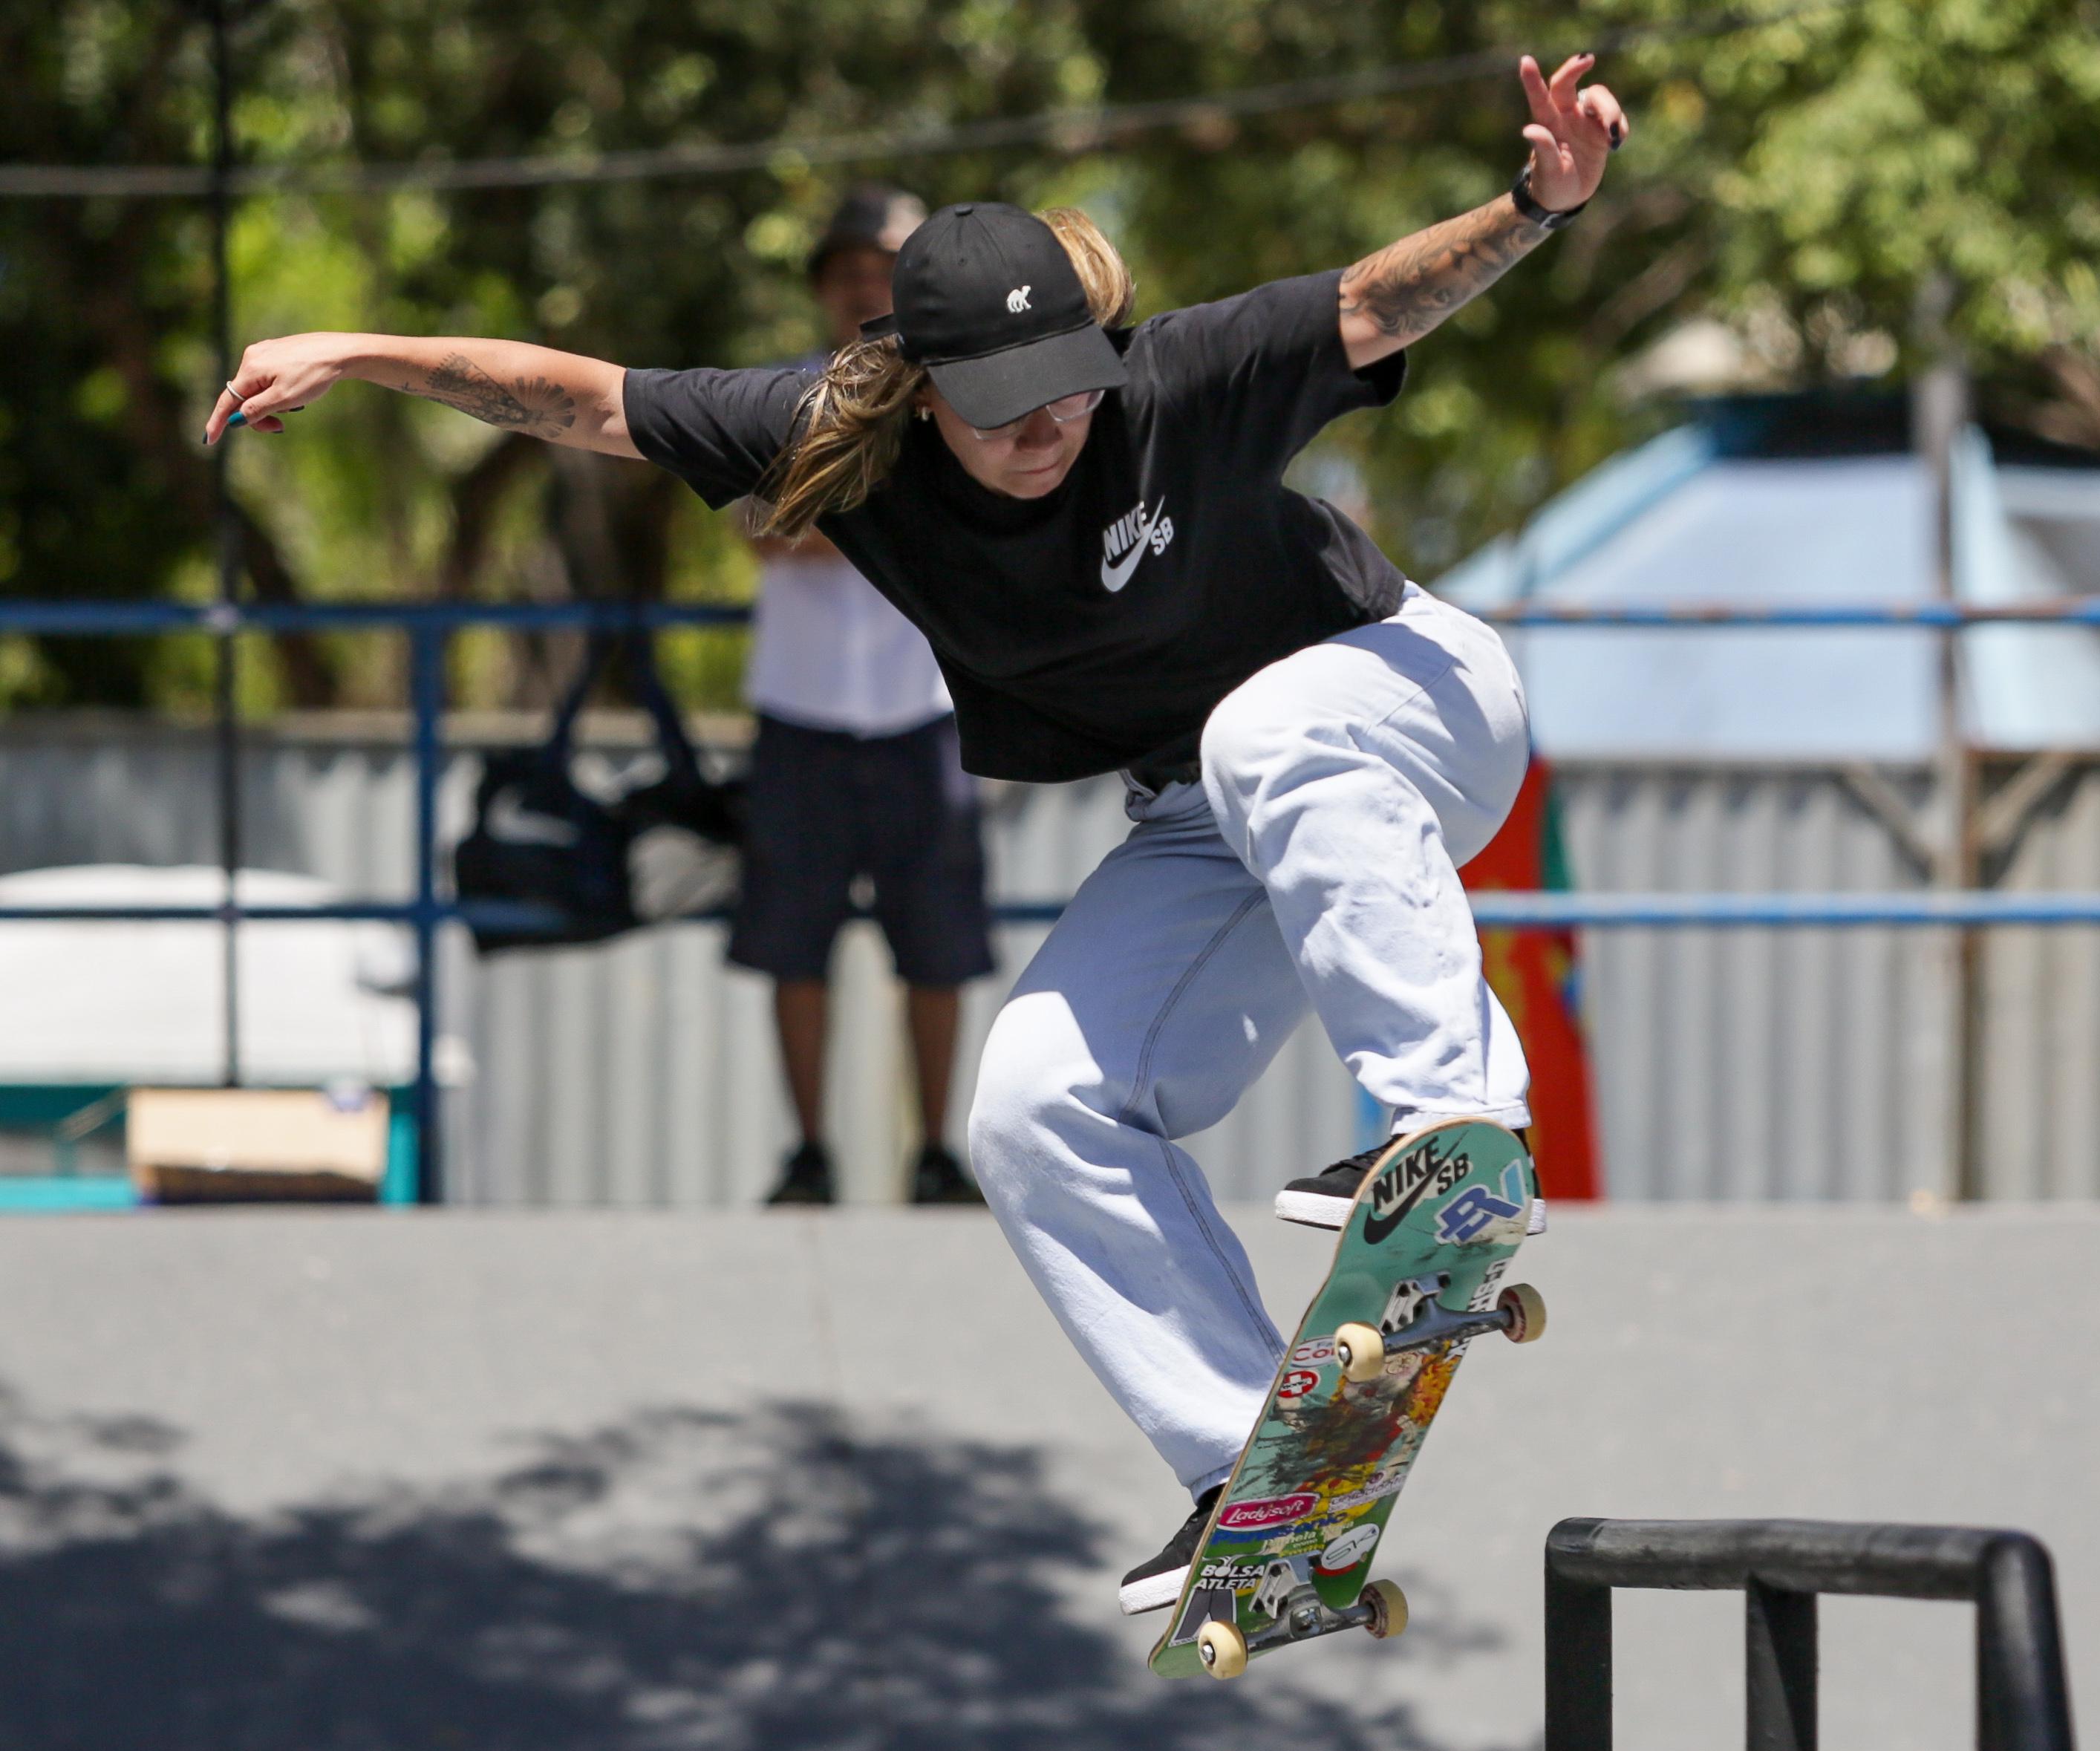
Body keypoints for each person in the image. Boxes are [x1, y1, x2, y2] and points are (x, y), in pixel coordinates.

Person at [207, 51, 1629, 1613]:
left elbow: (1377, 300)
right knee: (1027, 1103)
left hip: (1408, 700)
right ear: (924, 391)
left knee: (1264, 725)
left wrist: (1533, 205)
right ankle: (1266, 1477)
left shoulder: (1175, 379)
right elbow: (582, 397)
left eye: (1074, 390)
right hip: (1212, 811)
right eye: (1013, 413)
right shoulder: (834, 430)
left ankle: (1451, 1126)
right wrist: (360, 350)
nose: (1058, 430)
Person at [740, 187, 995, 1209]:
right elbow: (758, 524)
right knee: (789, 943)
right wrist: (881, 514)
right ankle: (810, 1149)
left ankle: (932, 1148)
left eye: (884, 264)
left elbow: (971, 522)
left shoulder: (965, 390)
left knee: (937, 946)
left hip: (924, 710)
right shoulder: (779, 394)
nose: (864, 285)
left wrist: (831, 512)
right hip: (800, 709)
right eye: (847, 270)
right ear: (821, 288)